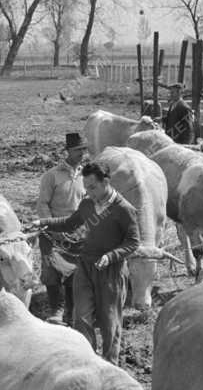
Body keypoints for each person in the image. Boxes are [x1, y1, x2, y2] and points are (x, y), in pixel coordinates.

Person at [36, 161, 139, 365]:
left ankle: (110, 365)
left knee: (110, 324)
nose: (89, 192)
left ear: (106, 182)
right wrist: (43, 222)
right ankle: (89, 363)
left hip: (111, 272)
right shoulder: (87, 204)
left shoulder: (124, 209)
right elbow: (70, 222)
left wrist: (111, 256)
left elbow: (133, 242)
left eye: (93, 187)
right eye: (86, 188)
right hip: (85, 267)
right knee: (80, 318)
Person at [36, 132, 86, 325]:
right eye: (77, 150)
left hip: (78, 233)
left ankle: (71, 311)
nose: (81, 153)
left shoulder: (86, 175)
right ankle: (56, 309)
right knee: (51, 270)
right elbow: (42, 204)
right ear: (67, 151)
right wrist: (52, 226)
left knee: (76, 272)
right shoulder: (52, 176)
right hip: (53, 231)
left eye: (83, 149)